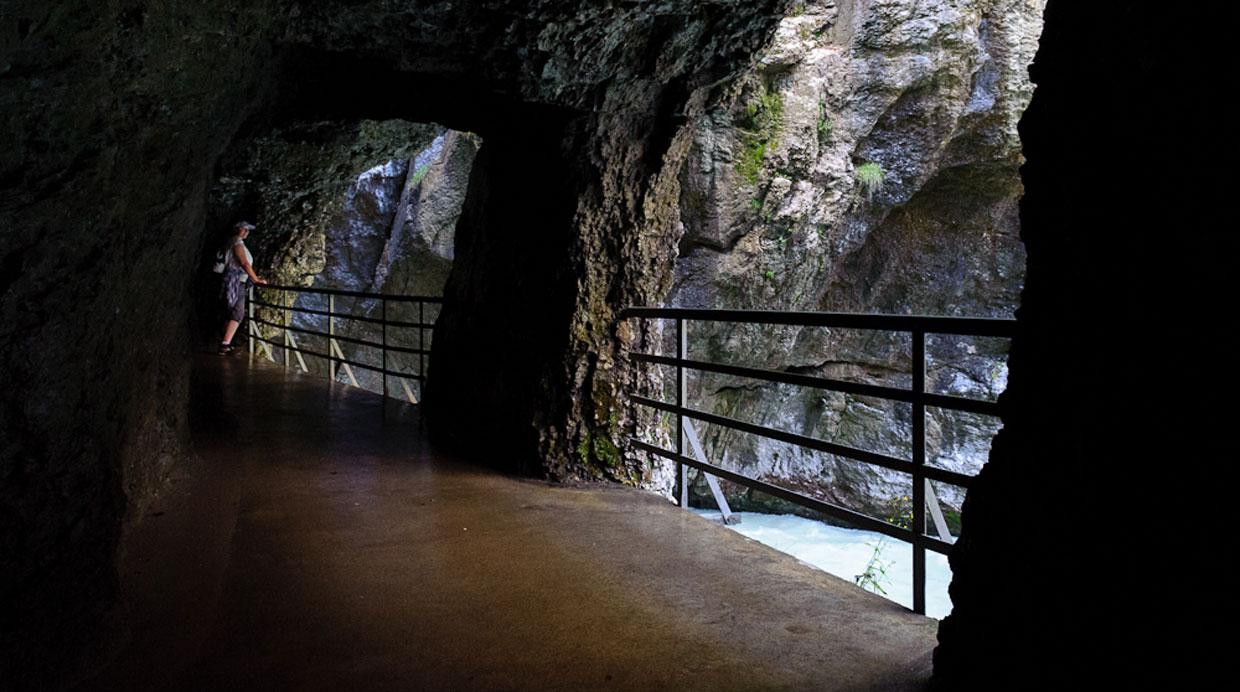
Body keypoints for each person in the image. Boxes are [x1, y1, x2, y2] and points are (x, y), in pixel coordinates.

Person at [218, 221, 267, 354]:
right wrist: (256, 279)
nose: (246, 231)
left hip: (233, 280)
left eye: (248, 230)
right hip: (236, 281)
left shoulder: (233, 242)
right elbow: (244, 263)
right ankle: (224, 345)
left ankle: (225, 343)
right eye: (243, 229)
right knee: (237, 313)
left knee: (230, 312)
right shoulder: (237, 243)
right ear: (237, 229)